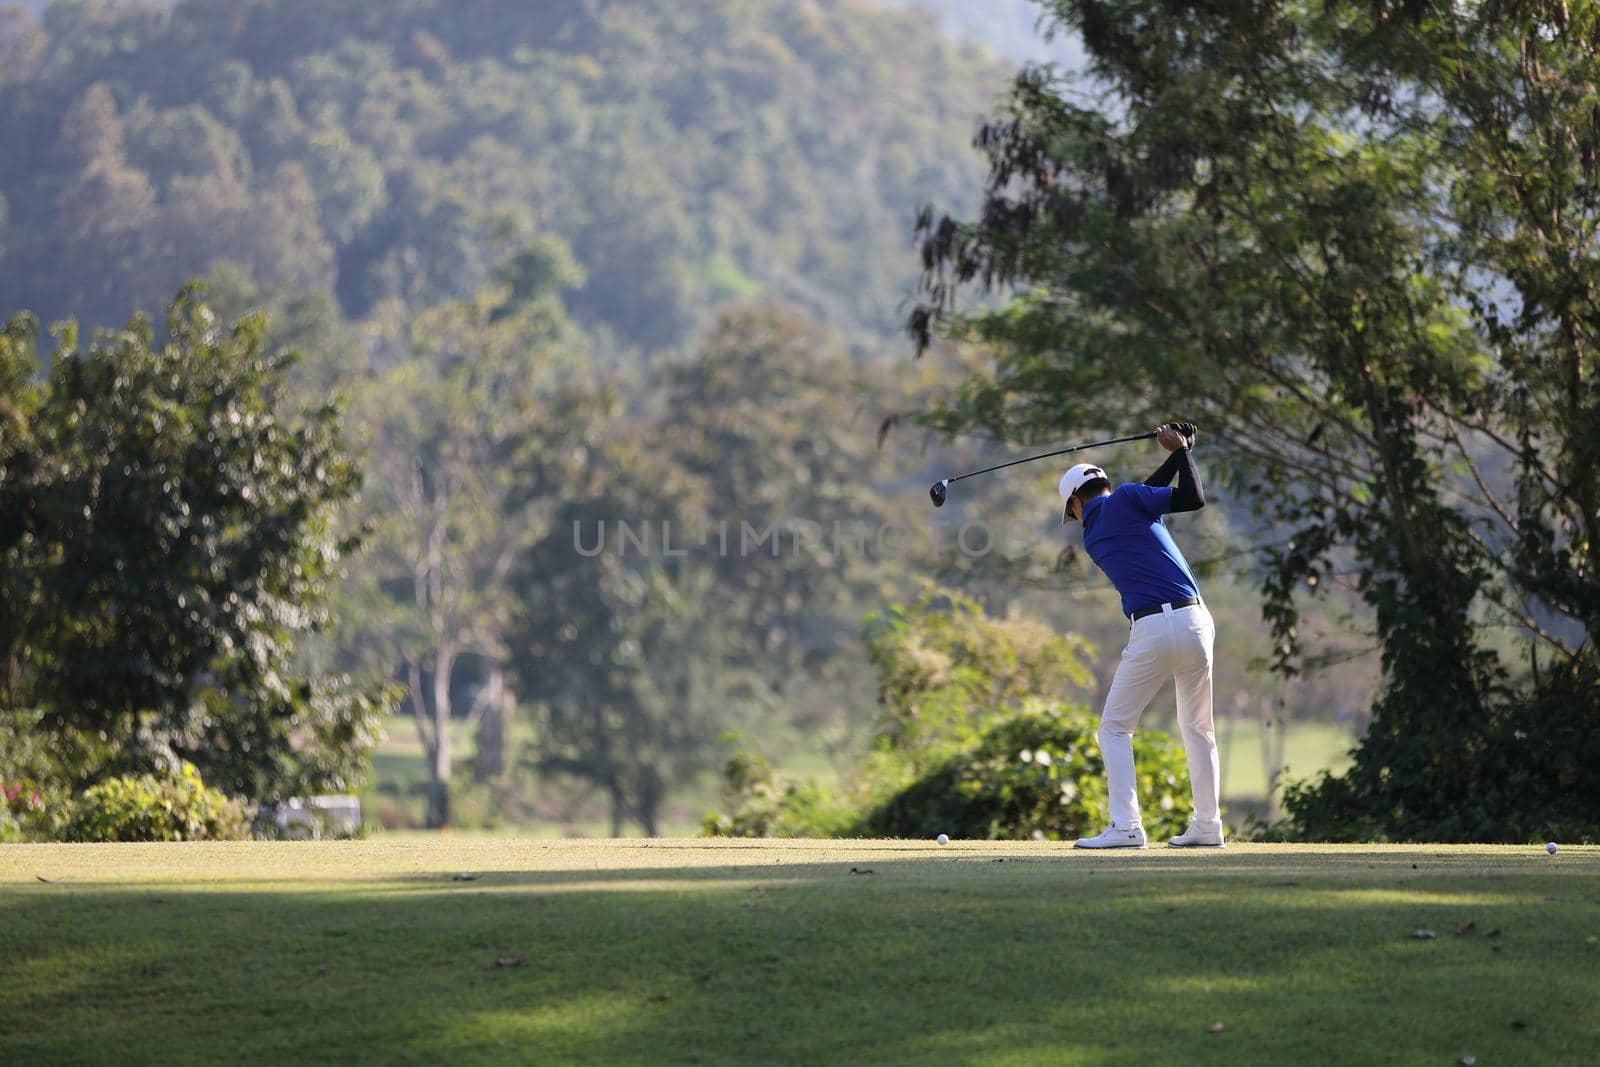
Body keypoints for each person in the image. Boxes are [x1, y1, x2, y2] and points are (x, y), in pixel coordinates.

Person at [1059, 422, 1223, 848]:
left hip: (1152, 629)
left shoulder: (1095, 535)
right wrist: (1182, 451)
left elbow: (1145, 495)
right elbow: (1192, 498)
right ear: (1107, 486)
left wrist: (1179, 453)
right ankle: (1208, 825)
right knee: (1199, 727)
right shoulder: (1130, 500)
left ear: (1077, 502)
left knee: (1114, 729)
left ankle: (1128, 827)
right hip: (1196, 622)